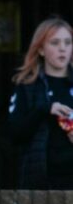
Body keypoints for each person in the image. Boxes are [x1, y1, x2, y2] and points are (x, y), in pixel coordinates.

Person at [8, 17, 73, 190]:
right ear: (41, 49)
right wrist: (45, 109)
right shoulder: (26, 86)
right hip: (40, 181)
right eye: (55, 42)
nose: (62, 48)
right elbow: (14, 134)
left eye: (67, 42)